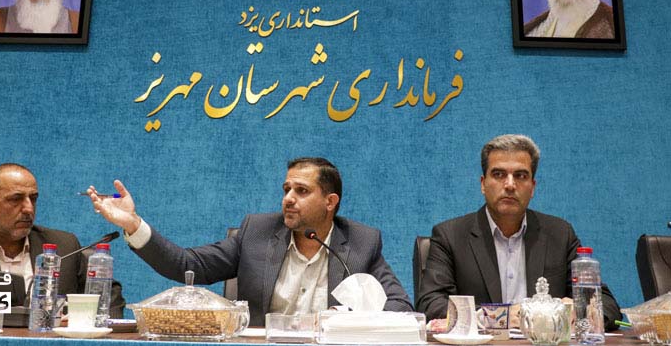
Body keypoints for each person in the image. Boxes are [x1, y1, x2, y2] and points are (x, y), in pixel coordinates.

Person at [88, 157, 413, 326]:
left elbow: (400, 307)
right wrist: (133, 224)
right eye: (286, 189)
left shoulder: (360, 243)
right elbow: (188, 265)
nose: (288, 198)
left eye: (301, 191)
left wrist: (348, 319)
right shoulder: (257, 233)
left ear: (330, 202)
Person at [416, 135, 621, 330]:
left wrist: (578, 311)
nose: (510, 185)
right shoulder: (451, 236)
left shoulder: (559, 234)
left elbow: (608, 306)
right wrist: (498, 317)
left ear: (532, 187)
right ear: (483, 184)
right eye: (498, 174)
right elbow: (430, 305)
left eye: (520, 176)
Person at [0, 163, 125, 317]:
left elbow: (110, 296)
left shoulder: (64, 246)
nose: (28, 208)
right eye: (15, 199)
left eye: (33, 198)